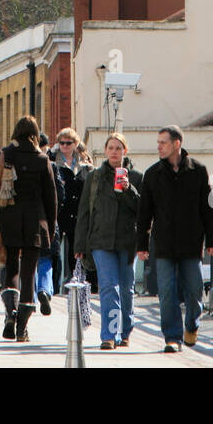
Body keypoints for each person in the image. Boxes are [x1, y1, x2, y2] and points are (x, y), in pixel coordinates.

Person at [135, 126, 213, 352]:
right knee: (167, 292)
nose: (159, 147)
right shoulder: (152, 174)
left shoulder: (198, 171)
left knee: (194, 290)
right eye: (158, 143)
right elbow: (144, 213)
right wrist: (141, 245)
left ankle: (192, 324)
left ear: (176, 144)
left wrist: (212, 240)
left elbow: (208, 208)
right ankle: (172, 337)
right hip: (163, 244)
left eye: (163, 142)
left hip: (191, 243)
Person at [0, 115, 57, 342]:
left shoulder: (4, 155)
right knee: (29, 274)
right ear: (36, 133)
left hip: (9, 220)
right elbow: (51, 198)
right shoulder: (42, 159)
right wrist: (52, 227)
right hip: (35, 222)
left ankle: (10, 313)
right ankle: (22, 329)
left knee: (11, 270)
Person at [74, 133, 142, 349]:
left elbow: (142, 210)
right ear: (105, 151)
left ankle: (126, 330)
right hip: (101, 240)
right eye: (111, 148)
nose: (115, 152)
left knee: (126, 289)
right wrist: (80, 245)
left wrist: (128, 188)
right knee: (108, 287)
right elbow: (84, 212)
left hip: (127, 241)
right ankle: (109, 335)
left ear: (125, 151)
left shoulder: (137, 177)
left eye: (119, 148)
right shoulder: (94, 178)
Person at [52, 128, 92, 289]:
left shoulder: (85, 165)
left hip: (77, 214)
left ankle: (76, 283)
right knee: (54, 251)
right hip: (59, 213)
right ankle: (53, 287)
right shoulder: (53, 162)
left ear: (75, 144)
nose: (64, 146)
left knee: (76, 252)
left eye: (68, 143)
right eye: (61, 143)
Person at [33, 132, 64, 315]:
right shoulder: (52, 166)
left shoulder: (20, 164)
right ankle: (44, 290)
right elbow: (60, 196)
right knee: (46, 260)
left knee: (29, 261)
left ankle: (31, 296)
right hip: (47, 221)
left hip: (25, 220)